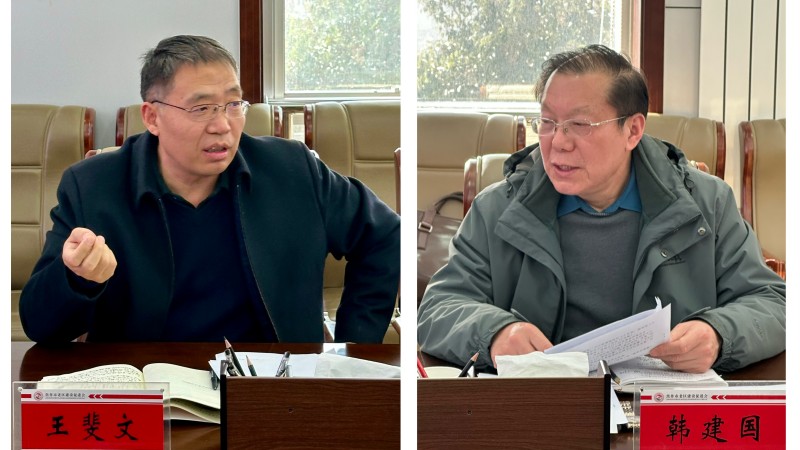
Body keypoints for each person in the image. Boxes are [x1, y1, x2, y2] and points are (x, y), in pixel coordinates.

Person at [417, 44, 785, 374]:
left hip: (659, 408)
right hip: (543, 407)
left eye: (580, 124)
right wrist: (496, 333)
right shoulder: (499, 209)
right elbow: (438, 308)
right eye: (547, 122)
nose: (559, 142)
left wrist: (718, 334)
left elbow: (774, 304)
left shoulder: (706, 204)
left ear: (633, 130)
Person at [20, 35, 400, 343]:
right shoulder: (93, 187)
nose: (222, 125)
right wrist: (77, 278)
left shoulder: (293, 170)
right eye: (201, 109)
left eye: (233, 104)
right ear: (152, 117)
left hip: (271, 386)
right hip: (149, 389)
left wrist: (355, 346)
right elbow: (39, 325)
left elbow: (384, 235)